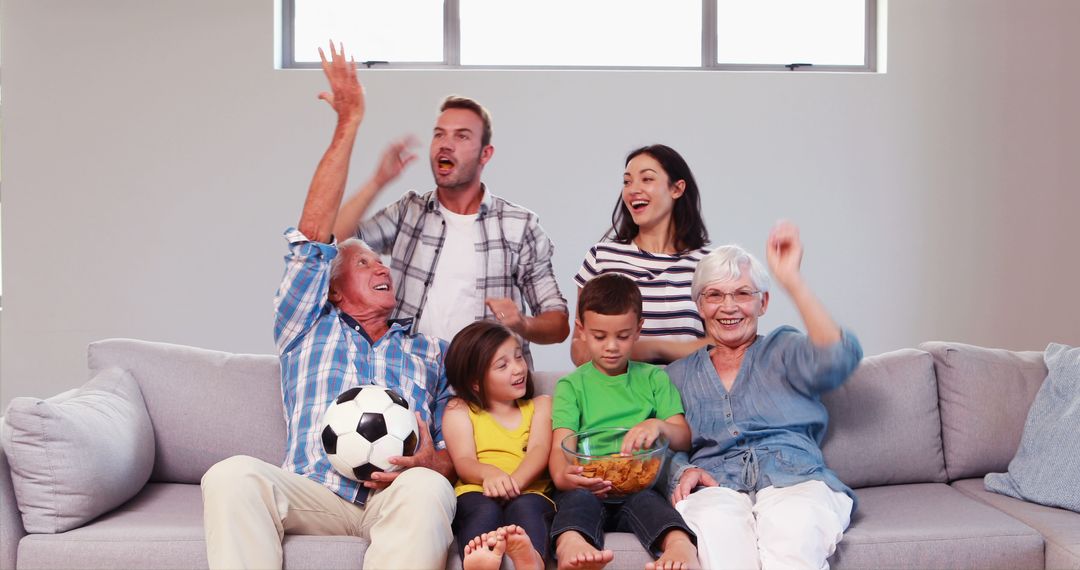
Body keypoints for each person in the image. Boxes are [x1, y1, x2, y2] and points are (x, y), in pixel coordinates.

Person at [199, 42, 457, 570]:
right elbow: (314, 235)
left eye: (382, 264)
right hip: (311, 488)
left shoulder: (434, 349)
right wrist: (349, 123)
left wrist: (434, 463)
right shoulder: (305, 325)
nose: (382, 268)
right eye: (363, 264)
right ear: (334, 288)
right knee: (230, 475)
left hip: (395, 494)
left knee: (431, 489)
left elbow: (460, 447)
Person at [666, 222, 863, 570]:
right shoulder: (678, 375)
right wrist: (682, 470)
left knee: (794, 534)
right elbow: (663, 447)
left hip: (795, 478)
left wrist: (791, 279)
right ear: (699, 305)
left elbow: (837, 360)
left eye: (743, 293)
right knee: (720, 537)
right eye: (714, 295)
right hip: (717, 484)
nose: (729, 307)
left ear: (763, 302)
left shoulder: (784, 348)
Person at [331, 93, 570, 366]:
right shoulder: (409, 211)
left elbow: (558, 324)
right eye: (439, 135)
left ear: (485, 154)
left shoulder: (519, 226)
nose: (445, 145)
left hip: (485, 389)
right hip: (412, 379)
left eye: (461, 136)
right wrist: (378, 180)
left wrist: (522, 324)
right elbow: (332, 242)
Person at [549, 273, 699, 570]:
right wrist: (563, 477)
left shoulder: (654, 378)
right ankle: (571, 545)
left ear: (638, 329)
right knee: (575, 502)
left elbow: (684, 437)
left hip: (639, 486)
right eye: (599, 336)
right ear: (581, 330)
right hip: (588, 485)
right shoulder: (572, 385)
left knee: (650, 505)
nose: (612, 347)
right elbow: (560, 447)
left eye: (623, 336)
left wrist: (659, 426)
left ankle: (680, 546)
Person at [571, 144, 711, 367]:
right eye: (627, 181)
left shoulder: (708, 264)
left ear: (677, 189)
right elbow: (579, 349)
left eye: (646, 179)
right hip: (619, 395)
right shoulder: (602, 258)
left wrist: (649, 347)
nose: (633, 189)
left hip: (688, 393)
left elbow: (722, 346)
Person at [443, 320, 554, 570]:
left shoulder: (541, 405)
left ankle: (531, 561)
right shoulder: (459, 409)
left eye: (519, 357)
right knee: (482, 510)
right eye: (503, 365)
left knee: (527, 508)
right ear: (475, 382)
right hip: (478, 491)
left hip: (530, 491)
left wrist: (513, 484)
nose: (518, 369)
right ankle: (480, 559)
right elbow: (464, 461)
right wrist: (489, 474)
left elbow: (539, 450)